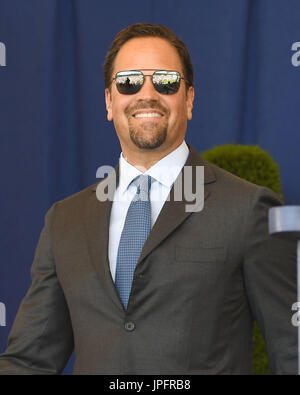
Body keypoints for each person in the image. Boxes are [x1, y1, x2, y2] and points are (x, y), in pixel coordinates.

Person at [0, 23, 297, 375]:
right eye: (128, 82)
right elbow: (29, 361)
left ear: (188, 100)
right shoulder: (64, 220)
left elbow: (292, 352)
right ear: (110, 101)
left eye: (166, 81)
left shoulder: (248, 210)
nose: (147, 94)